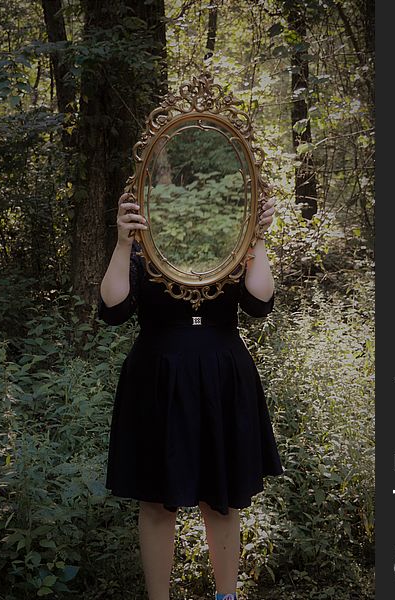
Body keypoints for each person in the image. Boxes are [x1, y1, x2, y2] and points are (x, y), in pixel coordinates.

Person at [97, 192, 283, 600]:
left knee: (222, 500)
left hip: (222, 377)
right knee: (156, 501)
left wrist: (259, 238)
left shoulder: (232, 236)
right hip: (157, 379)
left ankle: (226, 596)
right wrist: (122, 241)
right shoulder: (143, 242)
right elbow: (112, 309)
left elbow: (259, 302)